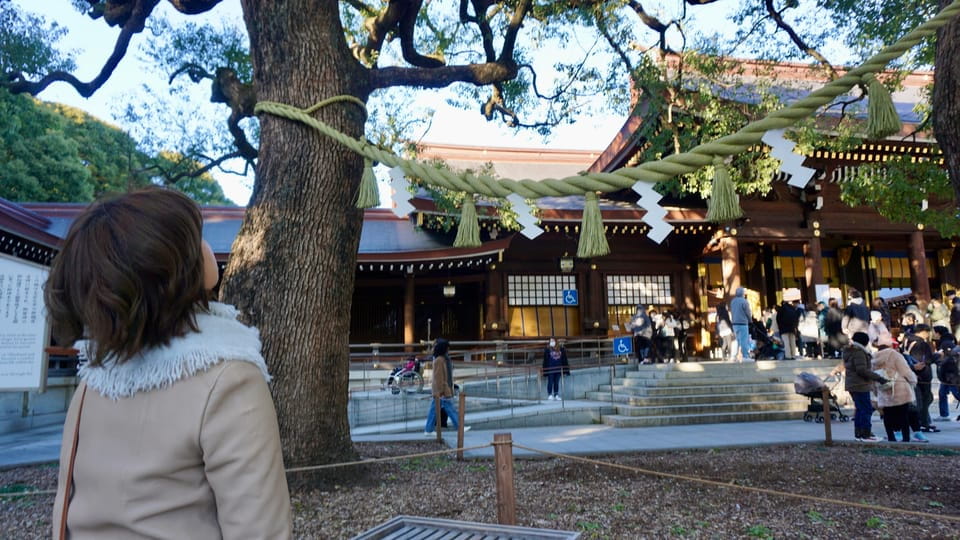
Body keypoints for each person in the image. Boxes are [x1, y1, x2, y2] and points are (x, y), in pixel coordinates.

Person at [47, 188, 292, 539]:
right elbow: (260, 530)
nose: (209, 249)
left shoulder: (96, 376)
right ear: (171, 271)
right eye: (198, 241)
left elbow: (67, 508)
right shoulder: (228, 377)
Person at [872, 334, 919, 442]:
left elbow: (873, 377)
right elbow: (905, 371)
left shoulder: (874, 358)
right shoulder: (895, 355)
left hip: (883, 390)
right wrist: (913, 381)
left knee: (887, 416)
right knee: (903, 416)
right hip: (899, 389)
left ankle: (891, 437)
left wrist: (875, 391)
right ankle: (905, 438)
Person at [844, 331, 887, 442]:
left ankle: (859, 433)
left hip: (854, 383)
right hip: (859, 384)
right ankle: (866, 434)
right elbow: (862, 370)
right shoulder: (859, 352)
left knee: (860, 409)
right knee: (866, 409)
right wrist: (879, 378)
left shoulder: (852, 350)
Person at [424, 338, 469, 435]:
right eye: (447, 348)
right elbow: (439, 377)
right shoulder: (440, 360)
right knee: (449, 409)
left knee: (435, 411)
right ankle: (459, 427)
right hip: (442, 390)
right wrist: (442, 390)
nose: (448, 350)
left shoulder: (441, 360)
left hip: (440, 390)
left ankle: (428, 429)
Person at [903, 324, 940, 433]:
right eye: (928, 332)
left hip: (911, 374)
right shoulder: (921, 344)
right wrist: (937, 356)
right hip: (922, 376)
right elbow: (925, 360)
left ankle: (924, 422)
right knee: (924, 400)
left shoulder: (907, 341)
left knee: (922, 399)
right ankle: (922, 423)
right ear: (923, 332)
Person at [935, 336, 960, 422]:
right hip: (946, 380)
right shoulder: (949, 355)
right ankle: (944, 414)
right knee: (942, 394)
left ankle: (944, 414)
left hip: (952, 380)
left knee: (957, 395)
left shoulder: (951, 357)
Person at [730, 287, 754, 362]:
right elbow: (748, 312)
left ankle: (733, 356)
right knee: (744, 340)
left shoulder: (732, 301)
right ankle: (745, 356)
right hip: (743, 323)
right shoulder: (744, 301)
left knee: (736, 340)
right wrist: (750, 320)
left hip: (734, 323)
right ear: (742, 293)